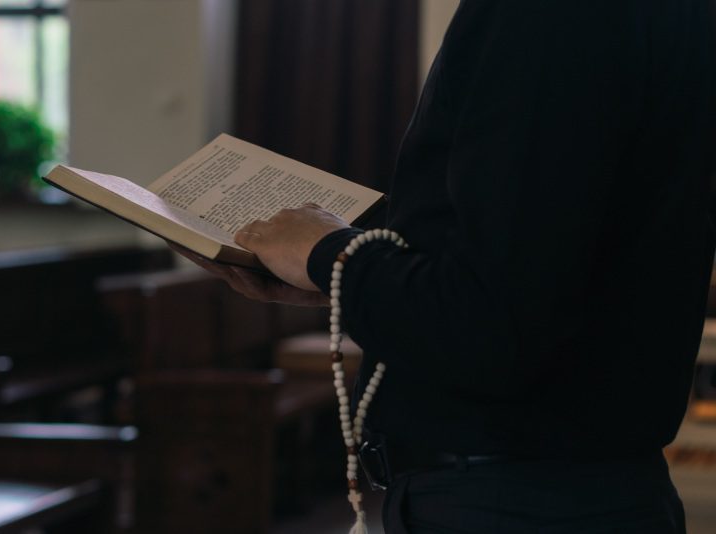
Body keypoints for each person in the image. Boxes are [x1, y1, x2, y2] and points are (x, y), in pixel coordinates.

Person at [172, 1, 716, 532]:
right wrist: (336, 277)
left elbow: (492, 324)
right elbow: (551, 262)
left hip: (513, 500)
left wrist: (331, 253)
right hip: (574, 486)